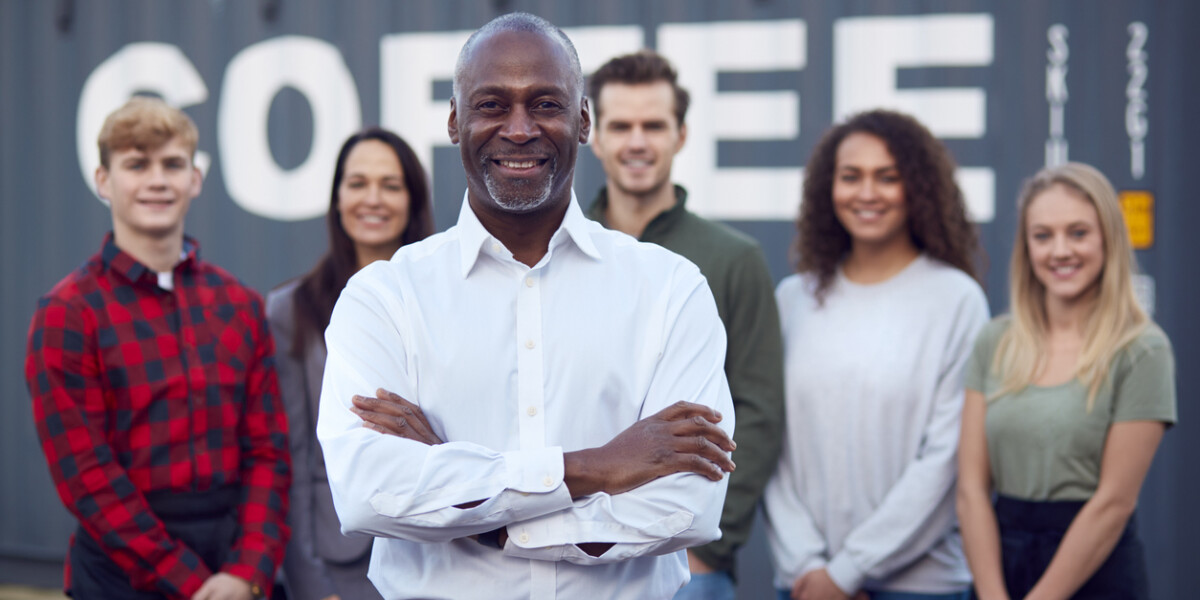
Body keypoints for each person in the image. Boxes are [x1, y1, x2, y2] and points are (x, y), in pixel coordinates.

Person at [315, 12, 737, 600]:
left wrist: (479, 515)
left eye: (544, 104)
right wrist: (595, 467)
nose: (518, 129)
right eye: (491, 105)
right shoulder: (384, 298)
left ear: (583, 120)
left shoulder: (669, 288)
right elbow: (369, 495)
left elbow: (685, 511)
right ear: (455, 121)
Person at [24, 96, 290, 600]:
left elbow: (269, 453)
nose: (157, 180)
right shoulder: (68, 313)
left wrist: (247, 570)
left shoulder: (238, 304)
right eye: (135, 164)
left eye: (172, 164)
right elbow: (87, 477)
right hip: (120, 571)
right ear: (104, 181)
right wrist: (190, 584)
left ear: (195, 178)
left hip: (234, 565)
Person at [763, 109, 988, 600]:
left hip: (920, 587)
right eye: (852, 177)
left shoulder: (956, 300)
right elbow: (770, 448)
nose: (868, 193)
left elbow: (946, 460)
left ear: (919, 188)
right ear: (829, 188)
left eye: (888, 177)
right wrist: (809, 565)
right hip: (805, 583)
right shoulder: (792, 299)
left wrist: (848, 573)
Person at [586, 49, 785, 600]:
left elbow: (759, 414)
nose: (637, 142)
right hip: (574, 560)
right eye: (620, 125)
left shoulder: (732, 259)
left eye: (654, 125)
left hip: (690, 566)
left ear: (681, 135)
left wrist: (708, 546)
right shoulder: (559, 254)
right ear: (593, 135)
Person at [956, 162, 1175, 600]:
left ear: (1108, 239)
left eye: (1078, 233)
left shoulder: (1142, 350)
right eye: (1043, 236)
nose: (1060, 250)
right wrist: (993, 594)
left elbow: (1113, 504)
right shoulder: (995, 340)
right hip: (1002, 565)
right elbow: (971, 489)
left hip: (1096, 570)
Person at [267, 127, 433, 600]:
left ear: (412, 200)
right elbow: (292, 460)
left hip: (436, 547)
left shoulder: (447, 300)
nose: (373, 199)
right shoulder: (289, 311)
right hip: (337, 563)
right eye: (357, 183)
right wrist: (310, 584)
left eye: (391, 184)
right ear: (337, 198)